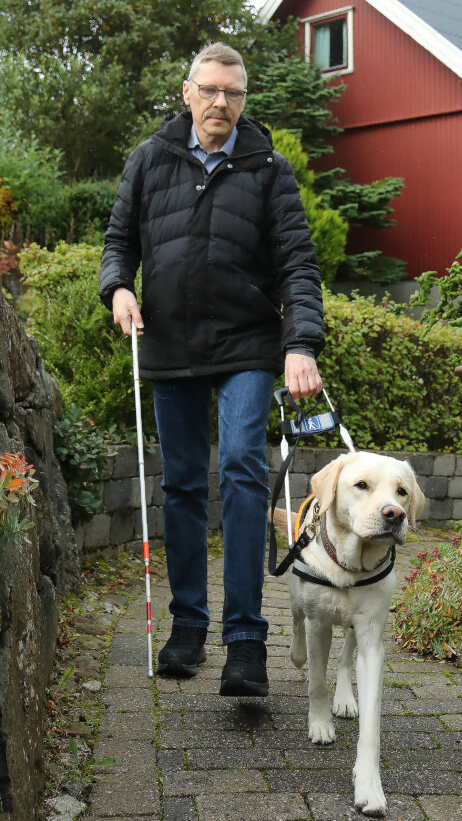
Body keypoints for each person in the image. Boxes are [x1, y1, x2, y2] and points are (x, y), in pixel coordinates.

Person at [100, 42, 324, 696]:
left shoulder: (268, 170)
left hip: (247, 347)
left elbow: (298, 267)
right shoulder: (148, 160)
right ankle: (188, 627)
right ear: (187, 91)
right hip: (168, 344)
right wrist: (118, 289)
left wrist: (300, 343)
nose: (221, 102)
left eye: (233, 92)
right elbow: (119, 242)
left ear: (243, 100)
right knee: (183, 485)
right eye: (211, 89)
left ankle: (247, 640)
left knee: (241, 471)